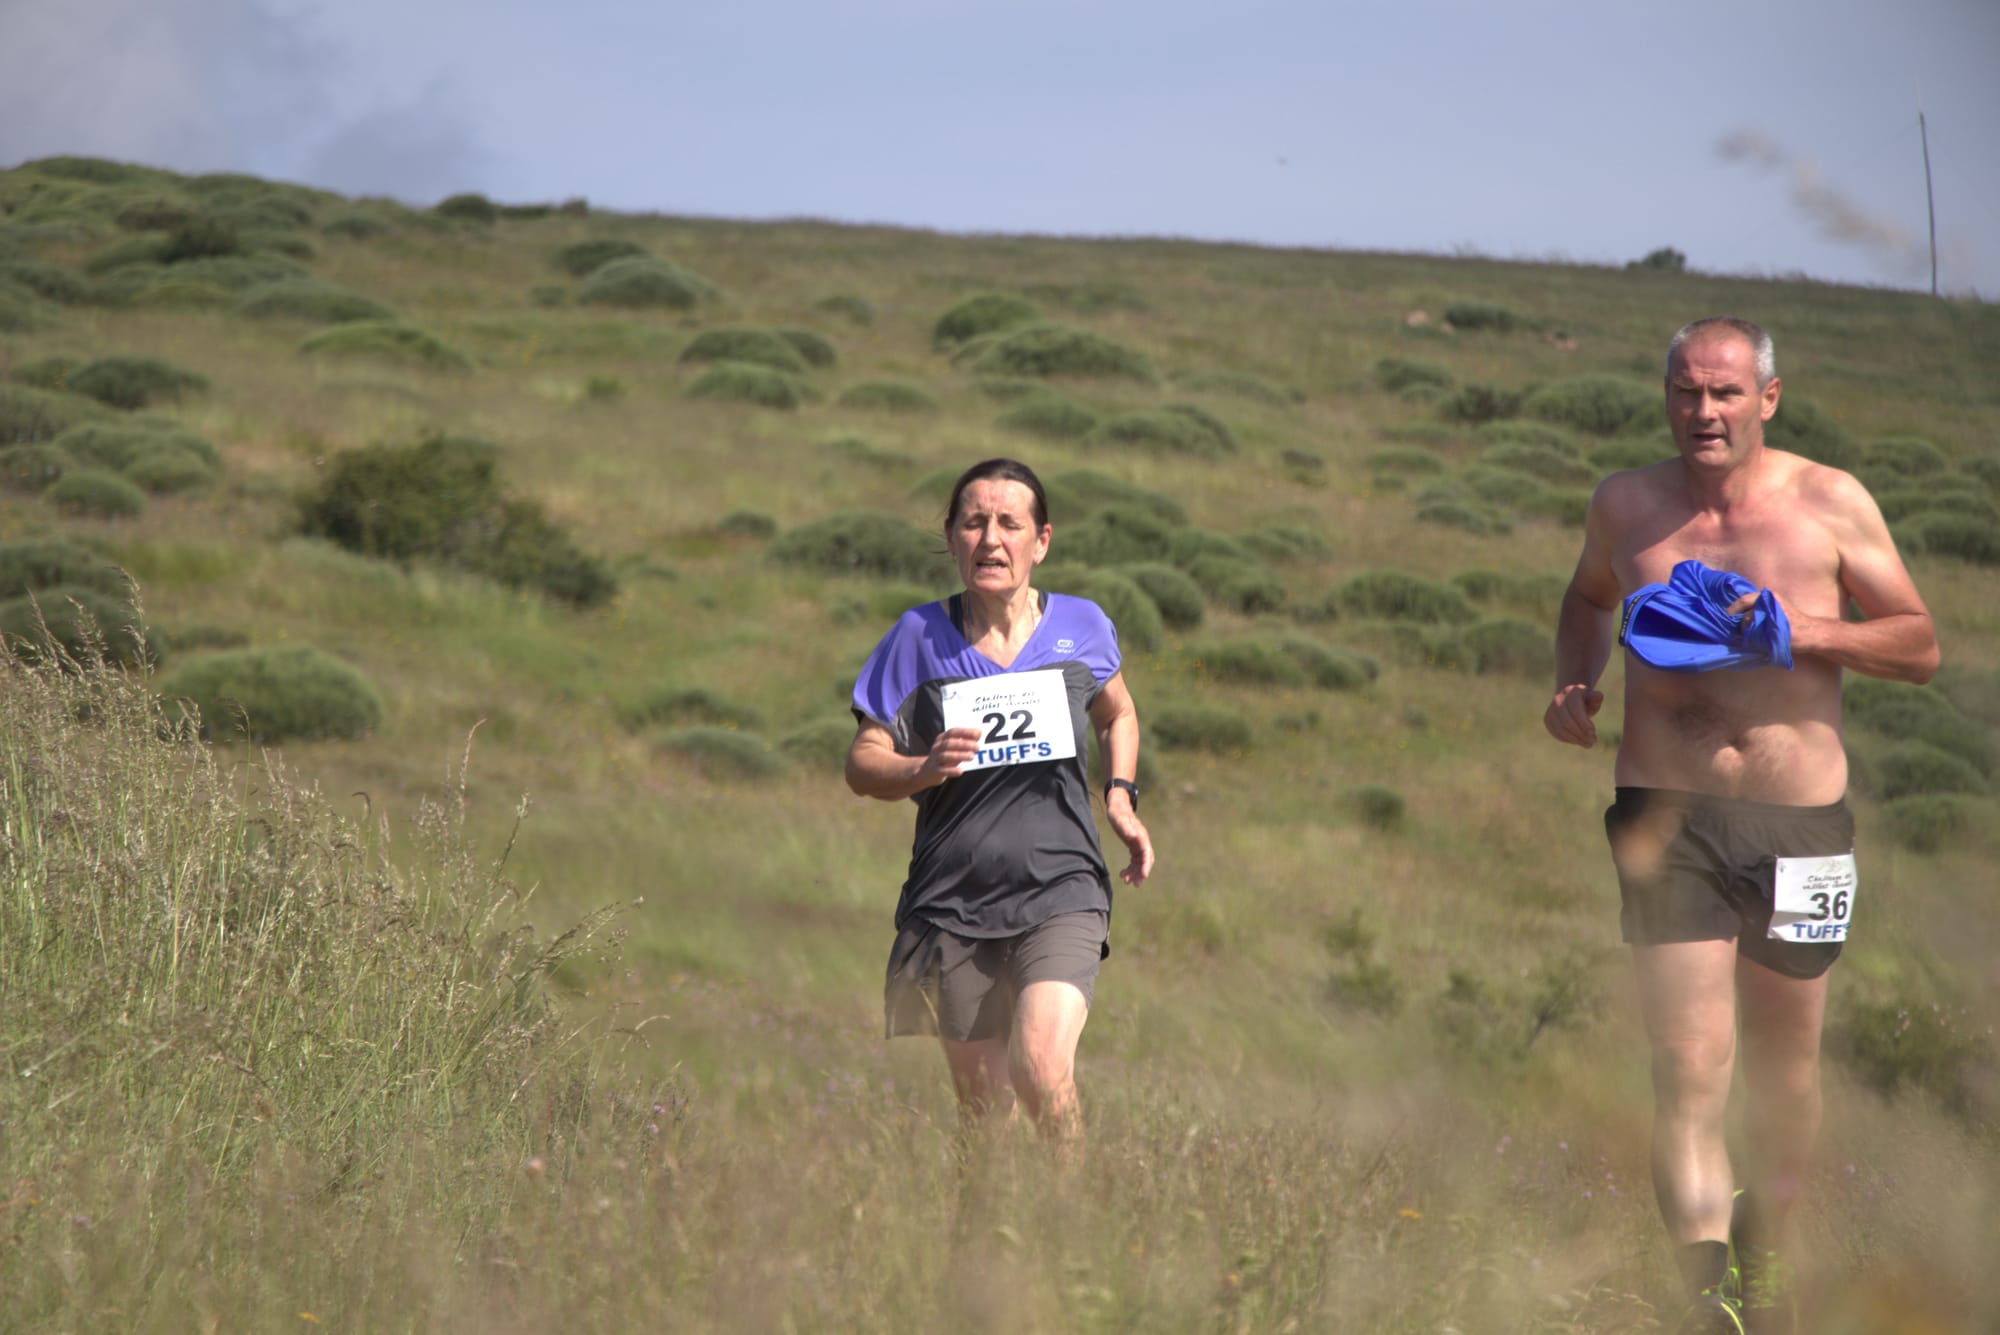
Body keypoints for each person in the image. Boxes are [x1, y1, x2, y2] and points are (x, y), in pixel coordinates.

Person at [1544, 317, 1938, 1335]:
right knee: (1686, 1065)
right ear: (1665, 396)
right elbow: (1586, 599)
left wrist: (1795, 630)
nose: (1703, 412)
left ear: (1767, 398)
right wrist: (1574, 681)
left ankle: (1763, 1259)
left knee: (1784, 1076)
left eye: (1723, 393)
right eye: (1685, 391)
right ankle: (1708, 1306)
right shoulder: (1625, 504)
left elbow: (1917, 644)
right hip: (1664, 817)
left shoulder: (1830, 501)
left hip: (1798, 827)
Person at [845, 457, 1154, 1150]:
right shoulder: (917, 638)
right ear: (951, 538)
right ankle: (991, 1223)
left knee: (1040, 1068)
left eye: (1009, 524)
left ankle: (1075, 1213)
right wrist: (921, 767)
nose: (990, 539)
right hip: (952, 900)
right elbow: (862, 762)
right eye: (973, 522)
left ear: (1040, 541)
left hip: (1061, 887)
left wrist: (1121, 795)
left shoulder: (1083, 626)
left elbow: (1118, 713)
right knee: (986, 1120)